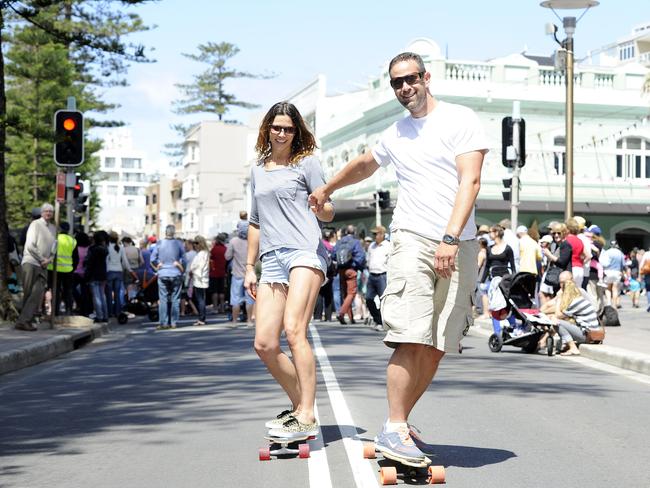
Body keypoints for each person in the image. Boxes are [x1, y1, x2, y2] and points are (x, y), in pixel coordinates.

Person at [310, 51, 487, 460]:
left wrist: (450, 237)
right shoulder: (396, 132)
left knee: (439, 343)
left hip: (457, 242)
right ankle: (392, 427)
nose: (405, 88)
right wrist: (327, 189)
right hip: (411, 238)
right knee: (410, 335)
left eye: (410, 79)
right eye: (396, 83)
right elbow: (364, 165)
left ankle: (399, 424)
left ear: (426, 77)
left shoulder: (461, 119)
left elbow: (471, 181)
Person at [245, 101, 334, 440]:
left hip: (304, 253)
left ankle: (307, 413)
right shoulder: (258, 169)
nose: (282, 133)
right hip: (271, 259)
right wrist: (249, 268)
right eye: (276, 127)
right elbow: (255, 222)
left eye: (288, 128)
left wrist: (321, 206)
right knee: (265, 343)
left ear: (297, 132)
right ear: (267, 128)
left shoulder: (307, 163)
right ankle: (301, 406)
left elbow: (327, 212)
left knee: (294, 329)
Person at [15, 203, 57, 331]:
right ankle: (25, 321)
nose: (48, 213)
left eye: (50, 211)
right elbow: (30, 245)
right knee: (28, 293)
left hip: (43, 265)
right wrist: (42, 259)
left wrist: (49, 259)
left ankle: (23, 320)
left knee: (37, 293)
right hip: (31, 262)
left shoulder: (53, 228)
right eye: (46, 211)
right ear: (41, 212)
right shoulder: (35, 224)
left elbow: (54, 248)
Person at [552, 271, 600, 356]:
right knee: (561, 321)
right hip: (590, 332)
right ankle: (567, 344)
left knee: (556, 322)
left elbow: (558, 315)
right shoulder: (579, 299)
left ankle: (573, 348)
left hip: (588, 335)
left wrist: (559, 298)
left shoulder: (575, 302)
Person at [151, 225, 186, 329]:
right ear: (174, 232)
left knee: (163, 299)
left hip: (163, 273)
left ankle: (164, 322)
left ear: (165, 232)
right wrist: (181, 267)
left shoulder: (160, 243)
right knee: (175, 298)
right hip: (175, 272)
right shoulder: (179, 244)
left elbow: (152, 258)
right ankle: (174, 322)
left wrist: (158, 265)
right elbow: (184, 259)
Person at [333, 225, 365, 325]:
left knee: (345, 294)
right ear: (354, 232)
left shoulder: (339, 241)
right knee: (351, 293)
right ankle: (341, 313)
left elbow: (333, 254)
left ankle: (351, 318)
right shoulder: (355, 242)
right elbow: (361, 256)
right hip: (351, 270)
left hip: (341, 270)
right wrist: (356, 266)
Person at [225, 222, 255, 326]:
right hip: (249, 273)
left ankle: (234, 321)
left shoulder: (233, 241)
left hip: (237, 273)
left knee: (235, 299)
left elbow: (227, 256)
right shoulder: (253, 241)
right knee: (250, 299)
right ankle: (249, 321)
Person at [47, 222, 78, 315]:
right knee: (68, 291)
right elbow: (76, 258)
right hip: (68, 270)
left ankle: (55, 312)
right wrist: (72, 268)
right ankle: (69, 311)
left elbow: (50, 253)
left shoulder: (54, 239)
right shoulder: (73, 241)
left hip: (54, 269)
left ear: (59, 229)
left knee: (55, 290)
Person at [366, 225, 391, 330]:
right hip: (372, 275)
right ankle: (377, 319)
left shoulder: (388, 246)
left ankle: (383, 322)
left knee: (384, 301)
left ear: (382, 234)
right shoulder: (371, 246)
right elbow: (368, 259)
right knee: (368, 299)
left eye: (375, 234)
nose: (374, 236)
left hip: (382, 276)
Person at [106, 231, 136, 320]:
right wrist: (130, 270)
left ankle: (110, 312)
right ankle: (117, 312)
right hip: (119, 272)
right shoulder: (121, 248)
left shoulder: (108, 247)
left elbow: (106, 260)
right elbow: (125, 262)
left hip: (109, 272)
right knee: (117, 293)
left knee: (108, 293)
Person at [539, 223, 572, 302]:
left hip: (564, 277)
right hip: (556, 277)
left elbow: (562, 262)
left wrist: (549, 255)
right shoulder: (556, 245)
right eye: (554, 233)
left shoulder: (565, 245)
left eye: (559, 233)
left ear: (563, 233)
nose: (556, 235)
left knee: (561, 299)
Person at [85, 230, 109, 323]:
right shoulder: (105, 249)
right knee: (102, 295)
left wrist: (87, 275)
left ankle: (99, 316)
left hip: (93, 275)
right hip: (103, 274)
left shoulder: (92, 249)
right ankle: (105, 315)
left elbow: (89, 263)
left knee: (96, 296)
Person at [313, 228, 336, 322]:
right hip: (329, 271)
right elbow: (334, 257)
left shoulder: (318, 244)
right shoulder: (331, 247)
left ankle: (317, 316)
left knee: (319, 293)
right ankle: (328, 316)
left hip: (319, 269)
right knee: (328, 294)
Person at [190, 235, 210, 325]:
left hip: (200, 278)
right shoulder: (204, 253)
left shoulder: (202, 254)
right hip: (201, 278)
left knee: (200, 299)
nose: (195, 245)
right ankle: (202, 317)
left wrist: (193, 271)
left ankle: (202, 318)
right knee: (201, 299)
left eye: (196, 243)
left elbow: (200, 267)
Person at [601, 241, 625, 309]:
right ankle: (614, 304)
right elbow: (623, 264)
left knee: (608, 288)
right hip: (617, 272)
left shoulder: (607, 252)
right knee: (615, 289)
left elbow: (603, 263)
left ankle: (608, 302)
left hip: (608, 271)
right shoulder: (620, 253)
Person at [565, 218, 585, 288]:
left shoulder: (567, 240)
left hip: (571, 268)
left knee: (568, 292)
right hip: (580, 268)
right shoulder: (580, 241)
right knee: (578, 291)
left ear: (567, 229)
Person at [209, 234, 227, 313]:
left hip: (214, 272)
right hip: (223, 272)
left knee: (215, 291)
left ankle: (215, 308)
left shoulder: (214, 249)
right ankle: (222, 308)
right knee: (222, 291)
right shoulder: (225, 249)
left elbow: (210, 260)